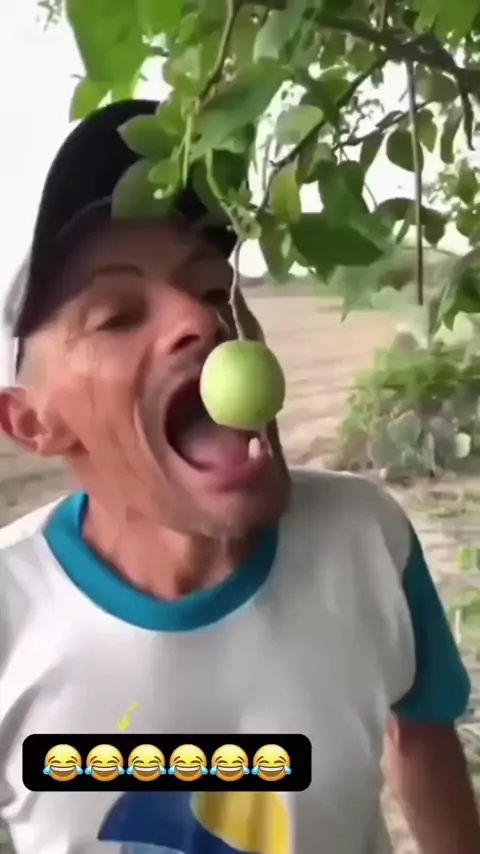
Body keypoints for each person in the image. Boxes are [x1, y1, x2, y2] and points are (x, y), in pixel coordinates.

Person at [0, 99, 478, 854]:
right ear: (31, 422)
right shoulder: (10, 610)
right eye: (119, 315)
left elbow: (419, 738)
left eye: (213, 287)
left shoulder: (366, 538)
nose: (201, 319)